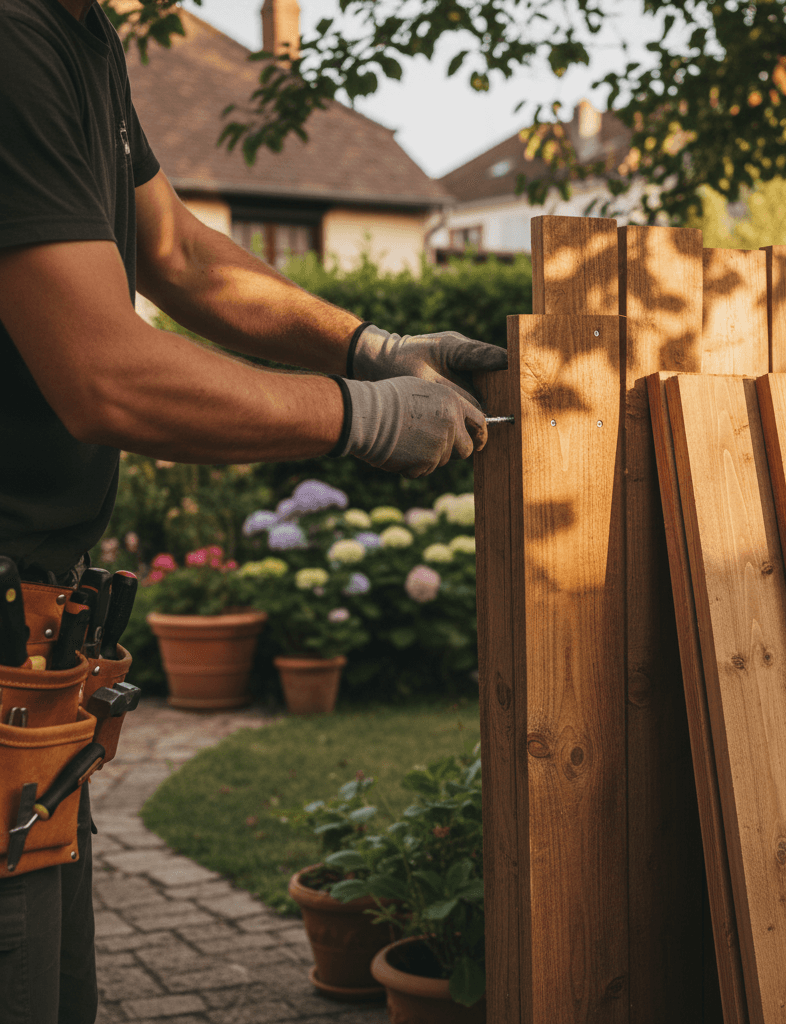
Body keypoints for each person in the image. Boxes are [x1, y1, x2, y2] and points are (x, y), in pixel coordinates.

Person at [0, 0, 507, 1019]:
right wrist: (357, 415)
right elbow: (105, 374)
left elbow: (176, 250)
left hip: (37, 659)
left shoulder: (76, 34)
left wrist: (372, 348)